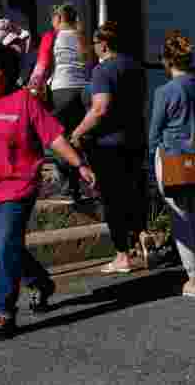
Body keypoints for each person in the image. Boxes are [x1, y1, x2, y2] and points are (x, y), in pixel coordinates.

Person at [0, 43, 96, 341]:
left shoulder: (24, 101)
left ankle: (3, 313)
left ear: (8, 73)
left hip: (18, 186)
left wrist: (79, 164)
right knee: (7, 246)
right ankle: (40, 282)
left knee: (4, 246)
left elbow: (53, 137)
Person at [69, 21, 147, 274]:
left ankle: (122, 255)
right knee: (134, 192)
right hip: (135, 139)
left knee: (113, 199)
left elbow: (100, 108)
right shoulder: (136, 66)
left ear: (103, 44)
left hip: (109, 144)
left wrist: (78, 132)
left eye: (94, 43)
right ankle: (141, 241)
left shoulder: (103, 71)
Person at [148, 31, 195, 296]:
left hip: (171, 156)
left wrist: (151, 161)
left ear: (166, 60)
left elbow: (155, 131)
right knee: (194, 216)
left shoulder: (164, 91)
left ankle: (193, 278)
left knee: (179, 219)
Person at [28, 2, 92, 202]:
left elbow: (42, 65)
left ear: (57, 19)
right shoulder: (82, 37)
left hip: (61, 92)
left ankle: (65, 187)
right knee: (76, 137)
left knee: (53, 138)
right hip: (83, 92)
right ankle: (79, 187)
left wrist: (31, 89)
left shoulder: (52, 36)